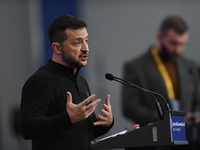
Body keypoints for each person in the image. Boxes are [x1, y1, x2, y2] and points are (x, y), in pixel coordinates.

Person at [20, 14, 114, 150]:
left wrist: (106, 123)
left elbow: (84, 133)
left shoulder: (81, 80)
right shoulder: (40, 81)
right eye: (77, 43)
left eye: (86, 41)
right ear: (57, 48)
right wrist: (67, 119)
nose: (86, 48)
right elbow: (27, 128)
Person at [121, 15, 200, 149]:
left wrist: (195, 117)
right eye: (173, 43)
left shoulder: (191, 66)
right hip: (155, 141)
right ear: (160, 37)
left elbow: (197, 102)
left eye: (182, 44)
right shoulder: (136, 67)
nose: (178, 49)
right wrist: (167, 120)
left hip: (188, 141)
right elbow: (130, 106)